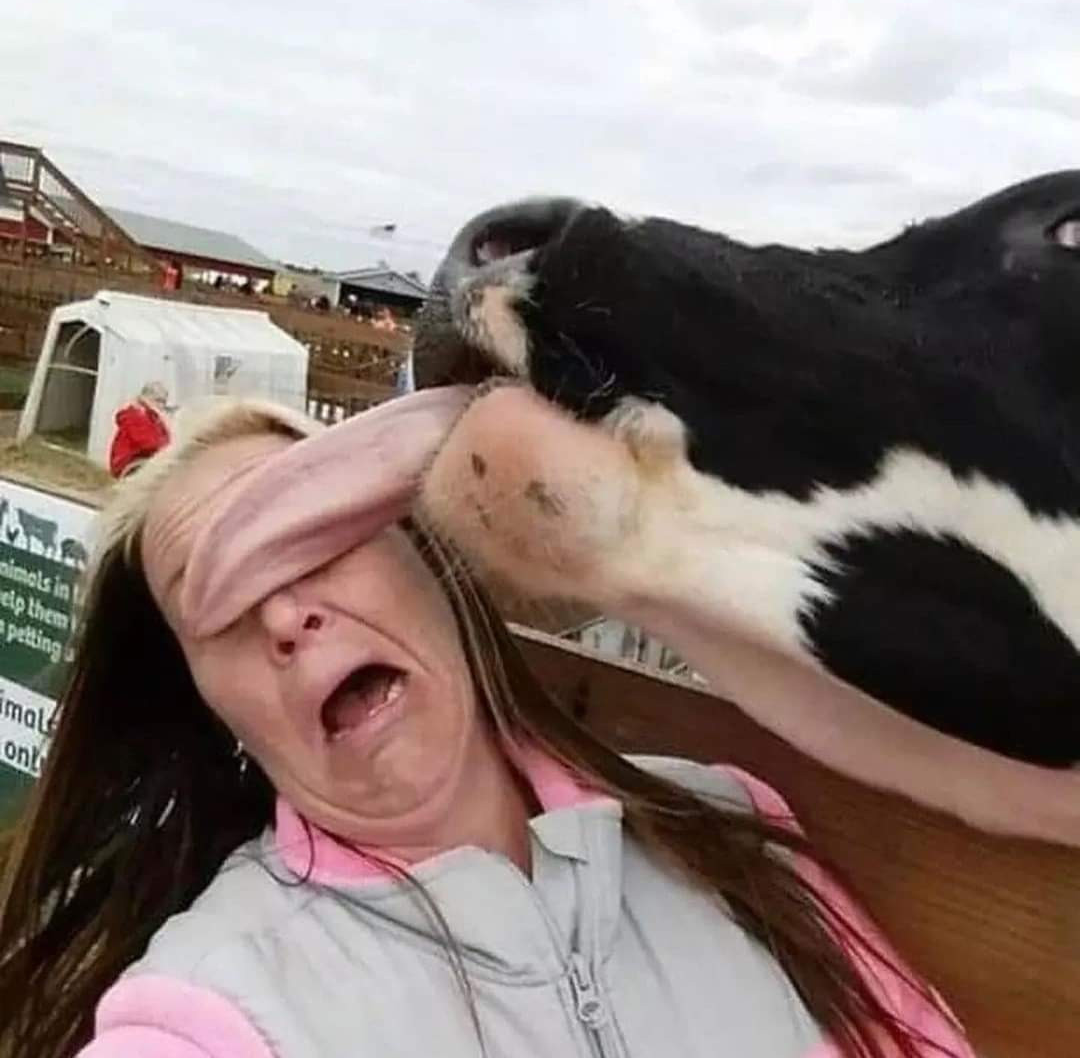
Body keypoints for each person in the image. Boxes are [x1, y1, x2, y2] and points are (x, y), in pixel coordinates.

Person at [0, 388, 973, 1058]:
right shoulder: (217, 1012)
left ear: (427, 557)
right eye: (217, 603)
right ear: (218, 713)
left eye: (316, 542)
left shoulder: (731, 831)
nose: (285, 616)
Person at [107, 381, 171, 479]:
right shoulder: (135, 415)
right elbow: (147, 443)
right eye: (158, 400)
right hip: (128, 463)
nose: (161, 405)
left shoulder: (153, 417)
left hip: (140, 460)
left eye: (164, 402)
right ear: (145, 398)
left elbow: (165, 439)